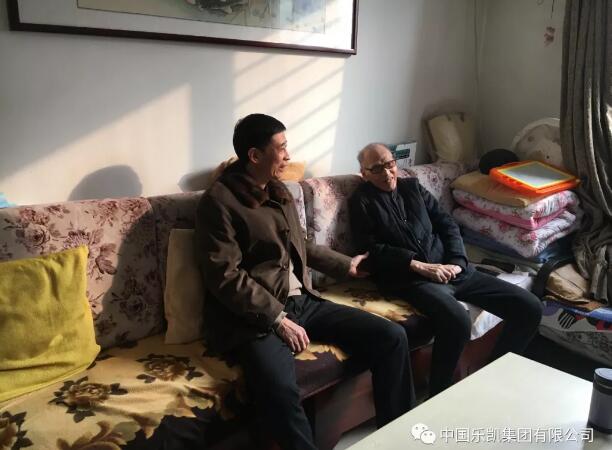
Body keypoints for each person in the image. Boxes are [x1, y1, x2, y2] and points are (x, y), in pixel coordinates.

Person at [195, 116, 415, 450]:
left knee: (392, 336)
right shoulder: (219, 202)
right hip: (256, 318)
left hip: (302, 302)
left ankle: (397, 439)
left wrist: (345, 265)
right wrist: (278, 319)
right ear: (255, 155)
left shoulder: (278, 190)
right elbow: (224, 276)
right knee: (279, 391)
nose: (288, 155)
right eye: (281, 148)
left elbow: (301, 245)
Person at [348, 143, 543, 398]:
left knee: (529, 307)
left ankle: (495, 373)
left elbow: (447, 224)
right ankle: (439, 393)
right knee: (457, 320)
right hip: (413, 279)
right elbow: (370, 249)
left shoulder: (412, 187)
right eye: (376, 169)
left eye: (389, 164)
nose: (386, 173)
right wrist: (419, 266)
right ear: (364, 173)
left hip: (454, 269)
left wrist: (457, 262)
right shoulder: (361, 201)